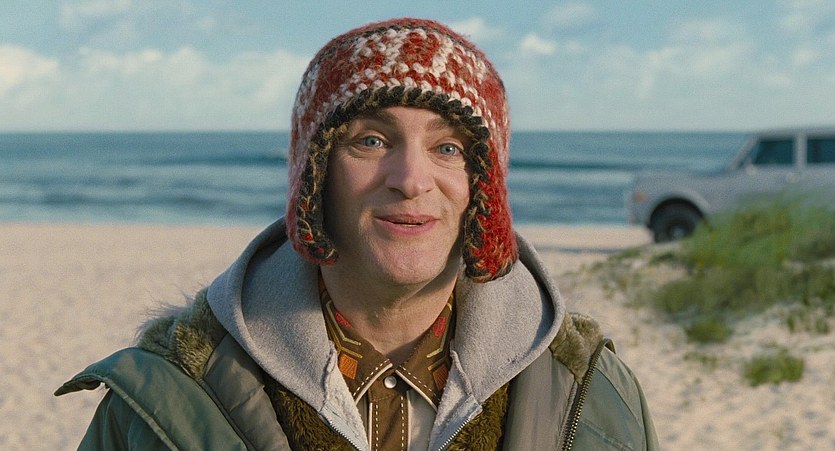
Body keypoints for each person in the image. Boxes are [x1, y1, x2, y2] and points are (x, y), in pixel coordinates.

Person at [57, 17, 658, 450]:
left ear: (484, 190)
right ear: (315, 177)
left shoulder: (592, 392)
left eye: (449, 148)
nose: (411, 179)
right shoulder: (165, 395)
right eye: (371, 140)